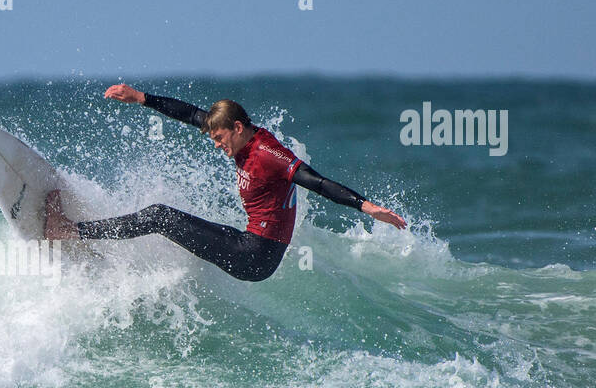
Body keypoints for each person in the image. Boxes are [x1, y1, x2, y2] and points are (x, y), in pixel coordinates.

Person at [43, 84, 407, 281]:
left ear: (237, 127)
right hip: (248, 245)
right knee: (169, 226)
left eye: (219, 138)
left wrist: (365, 206)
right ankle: (100, 256)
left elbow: (316, 181)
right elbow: (189, 113)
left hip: (256, 257)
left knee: (159, 216)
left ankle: (68, 231)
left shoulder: (267, 152)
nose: (216, 146)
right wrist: (141, 98)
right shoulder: (237, 135)